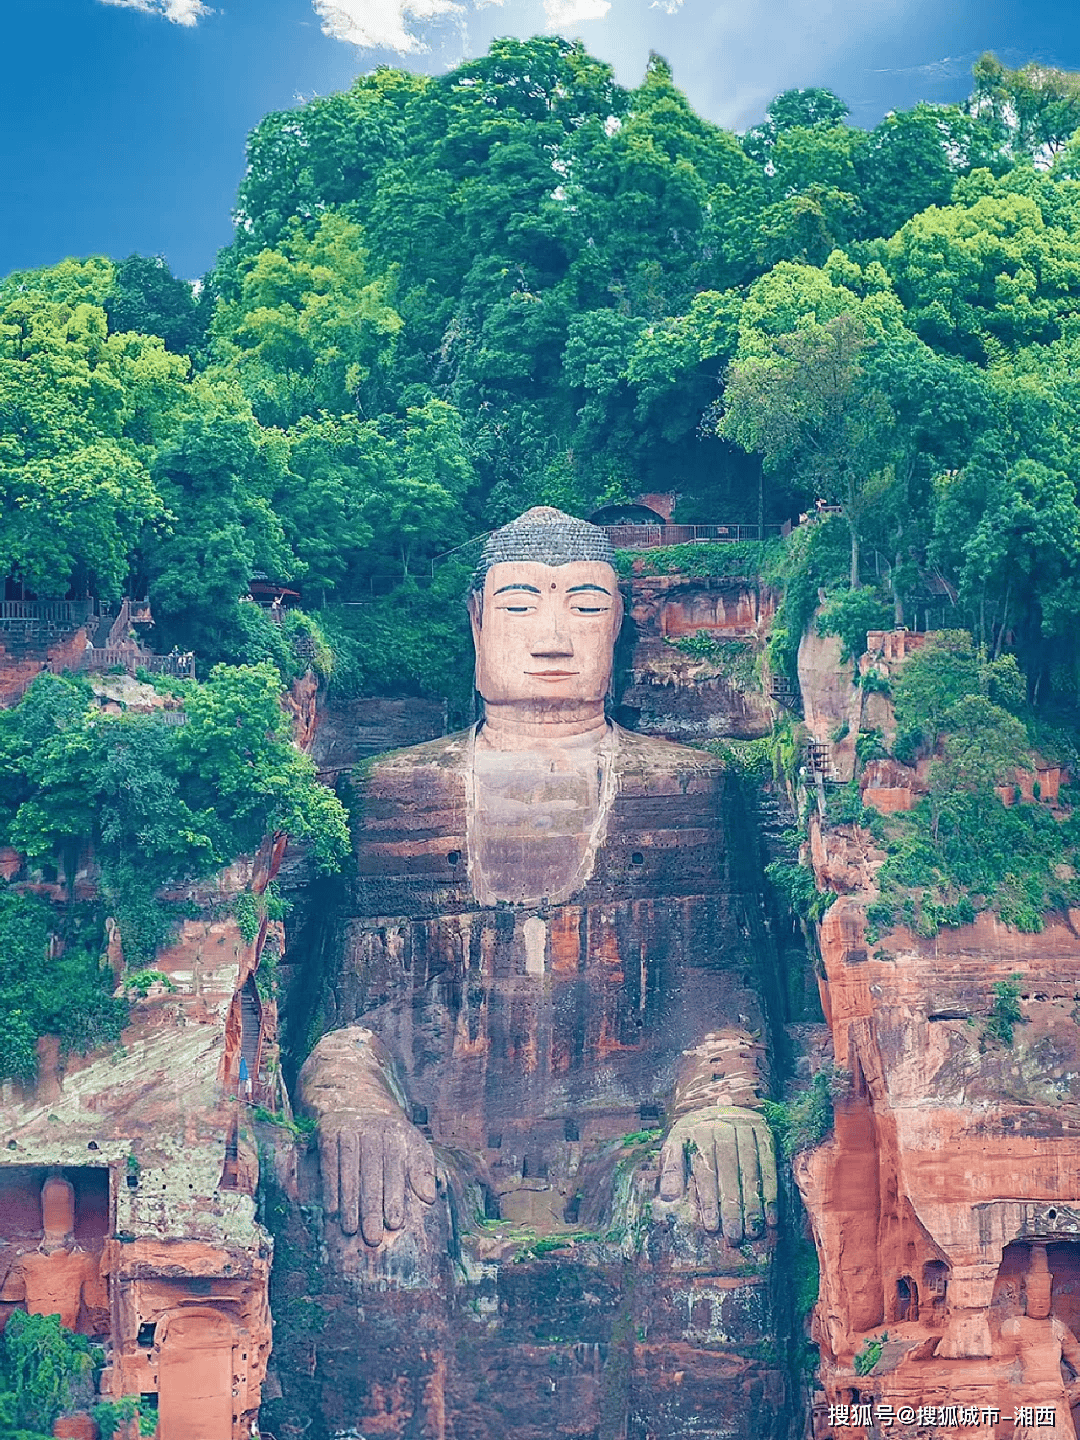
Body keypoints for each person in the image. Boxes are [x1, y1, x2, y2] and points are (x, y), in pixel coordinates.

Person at [299, 507, 778, 1260]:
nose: (553, 636)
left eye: (585, 606)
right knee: (377, 1227)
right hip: (435, 1161)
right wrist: (355, 1106)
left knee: (709, 1217)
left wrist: (720, 1106)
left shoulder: (689, 788)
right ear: (477, 620)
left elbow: (724, 1012)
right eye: (521, 605)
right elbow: (346, 1022)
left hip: (630, 1153)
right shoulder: (392, 792)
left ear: (620, 622)